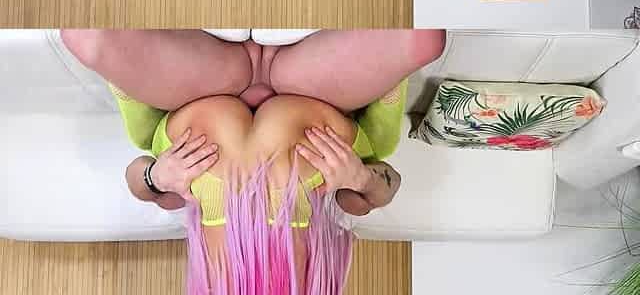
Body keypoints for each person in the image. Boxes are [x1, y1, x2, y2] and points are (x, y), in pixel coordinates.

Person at [61, 29, 446, 295]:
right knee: (424, 42)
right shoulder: (319, 264)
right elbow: (386, 187)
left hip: (207, 83)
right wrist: (360, 178)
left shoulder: (209, 264)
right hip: (310, 86)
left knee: (86, 40)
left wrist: (155, 175)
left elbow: (142, 184)